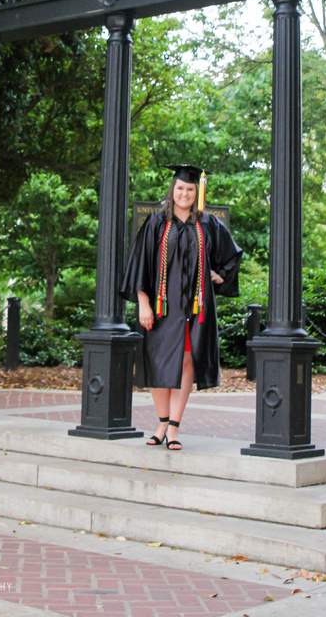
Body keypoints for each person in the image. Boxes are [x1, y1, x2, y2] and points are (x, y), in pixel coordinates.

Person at [120, 165, 242, 450]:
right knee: (156, 361)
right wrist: (143, 304)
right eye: (180, 188)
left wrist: (220, 275)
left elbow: (231, 256)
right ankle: (161, 421)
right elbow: (139, 265)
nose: (184, 193)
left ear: (196, 193)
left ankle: (173, 427)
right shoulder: (155, 225)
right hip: (161, 307)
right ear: (172, 191)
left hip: (194, 307)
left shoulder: (209, 224)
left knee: (187, 362)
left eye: (189, 189)